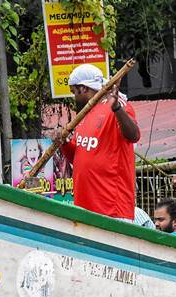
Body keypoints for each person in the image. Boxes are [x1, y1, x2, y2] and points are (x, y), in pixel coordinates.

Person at [60, 64, 140, 221]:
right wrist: (64, 143)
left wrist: (116, 107)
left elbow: (134, 135)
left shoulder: (118, 106)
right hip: (85, 208)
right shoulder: (85, 114)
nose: (74, 97)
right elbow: (79, 158)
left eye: (73, 91)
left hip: (112, 209)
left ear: (83, 88)